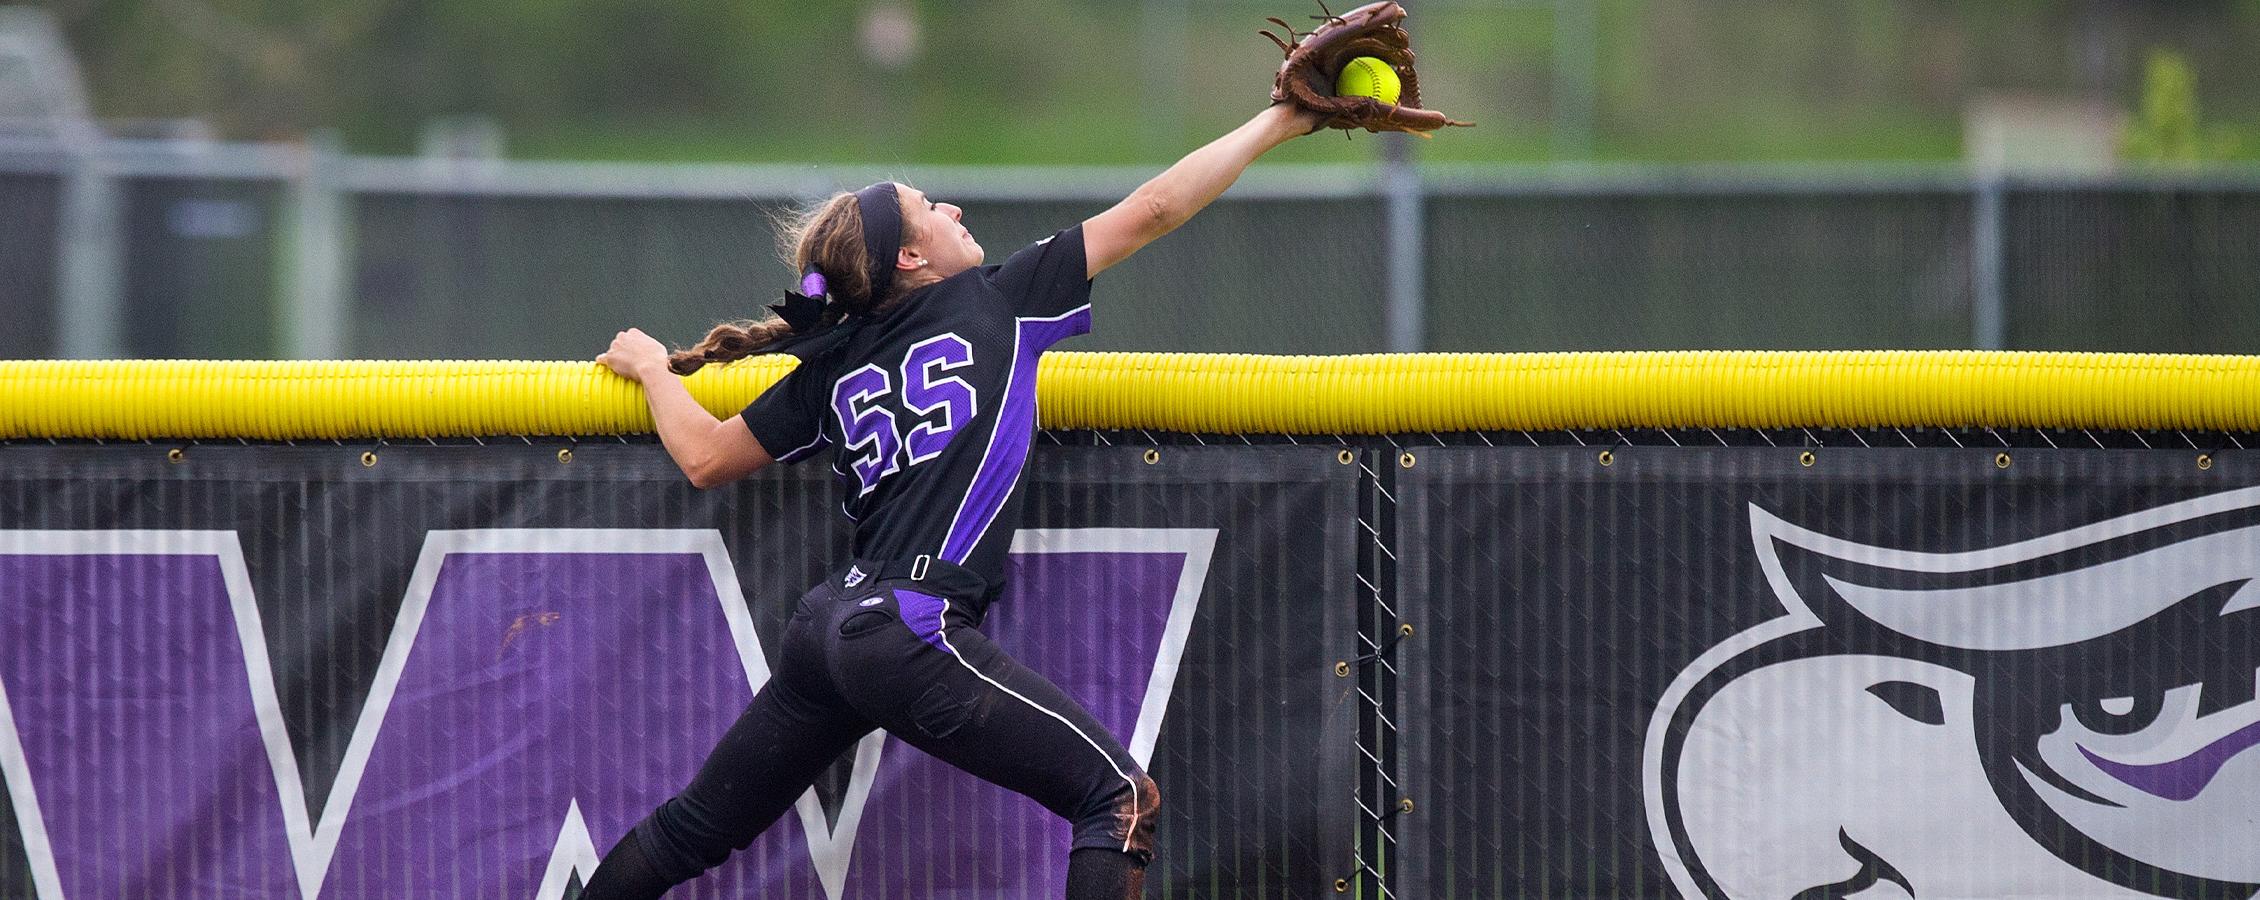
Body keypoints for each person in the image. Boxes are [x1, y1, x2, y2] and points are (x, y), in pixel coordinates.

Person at [585, 101, 1320, 899]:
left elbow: (703, 457)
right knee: (1118, 799)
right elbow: (1155, 208)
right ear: (908, 256)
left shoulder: (831, 361)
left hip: (827, 628)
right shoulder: (997, 299)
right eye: (929, 208)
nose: (952, 209)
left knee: (692, 829)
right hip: (908, 628)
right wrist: (1281, 121)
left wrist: (657, 370)